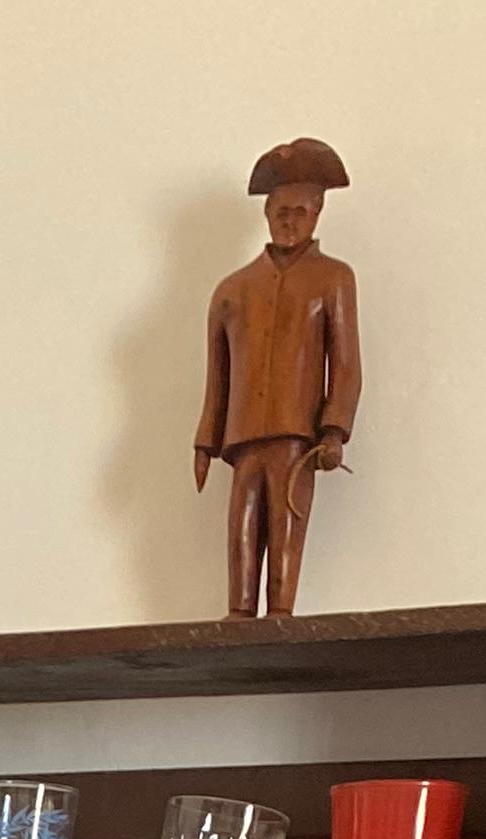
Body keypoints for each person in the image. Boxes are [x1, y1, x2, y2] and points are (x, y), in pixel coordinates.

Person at [194, 137, 360, 621]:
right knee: (242, 524)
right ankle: (239, 611)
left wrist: (334, 430)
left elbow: (346, 364)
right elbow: (218, 377)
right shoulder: (232, 290)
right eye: (282, 212)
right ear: (267, 214)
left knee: (287, 522)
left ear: (317, 213)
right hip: (243, 434)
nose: (290, 222)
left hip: (295, 434)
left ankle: (280, 612)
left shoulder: (333, 279)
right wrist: (205, 441)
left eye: (300, 212)